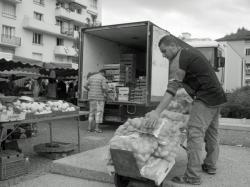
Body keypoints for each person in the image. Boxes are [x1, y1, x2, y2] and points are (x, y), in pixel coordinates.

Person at [145, 35, 227, 185]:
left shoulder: (178, 60)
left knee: (195, 134)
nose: (163, 56)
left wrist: (157, 112)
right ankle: (210, 165)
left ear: (172, 46)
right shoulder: (190, 53)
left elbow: (171, 89)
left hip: (205, 97)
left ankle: (192, 176)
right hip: (217, 96)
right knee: (212, 133)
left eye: (164, 51)